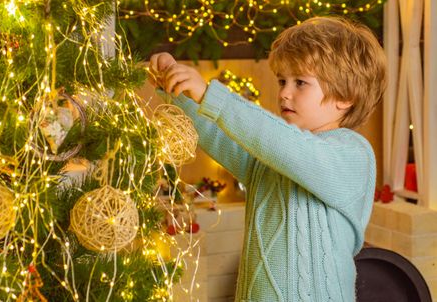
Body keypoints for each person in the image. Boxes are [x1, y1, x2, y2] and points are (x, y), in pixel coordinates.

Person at [149, 16, 387, 302]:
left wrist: (211, 95)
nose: (284, 93)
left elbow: (290, 147)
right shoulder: (269, 155)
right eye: (282, 81)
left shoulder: (351, 153)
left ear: (345, 96)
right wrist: (176, 91)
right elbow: (218, 135)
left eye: (300, 82)